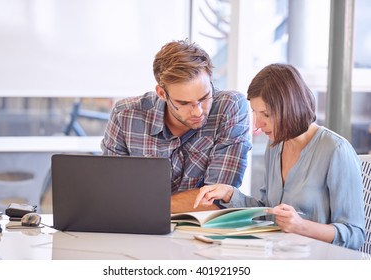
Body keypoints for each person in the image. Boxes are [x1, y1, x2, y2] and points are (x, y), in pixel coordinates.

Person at [194, 63, 366, 250]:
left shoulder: (336, 150)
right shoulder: (276, 145)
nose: (258, 124)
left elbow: (355, 235)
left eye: (266, 114)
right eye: (255, 113)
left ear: (290, 108)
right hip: (281, 257)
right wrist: (229, 194)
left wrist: (301, 226)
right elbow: (268, 212)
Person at [101, 39, 252, 213]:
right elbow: (112, 193)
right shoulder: (125, 115)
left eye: (204, 98)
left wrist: (140, 204)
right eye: (184, 103)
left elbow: (218, 198)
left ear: (210, 79)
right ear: (161, 93)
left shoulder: (231, 107)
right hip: (138, 230)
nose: (197, 112)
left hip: (204, 233)